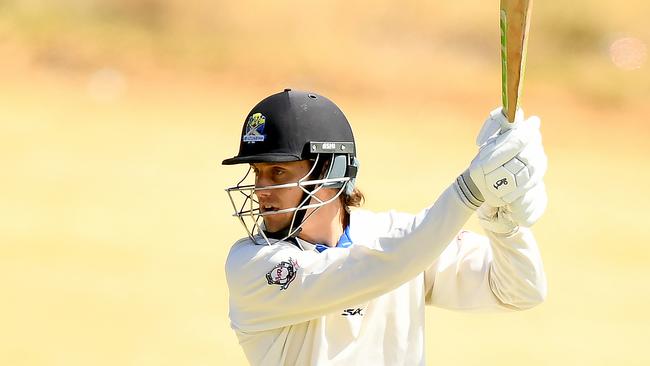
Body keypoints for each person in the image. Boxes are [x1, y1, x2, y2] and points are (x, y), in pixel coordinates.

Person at [222, 89, 547, 366]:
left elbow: (520, 291)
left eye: (277, 172)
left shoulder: (400, 238)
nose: (260, 189)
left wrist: (504, 221)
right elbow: (385, 265)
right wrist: (473, 189)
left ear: (329, 170)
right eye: (257, 172)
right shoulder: (253, 266)